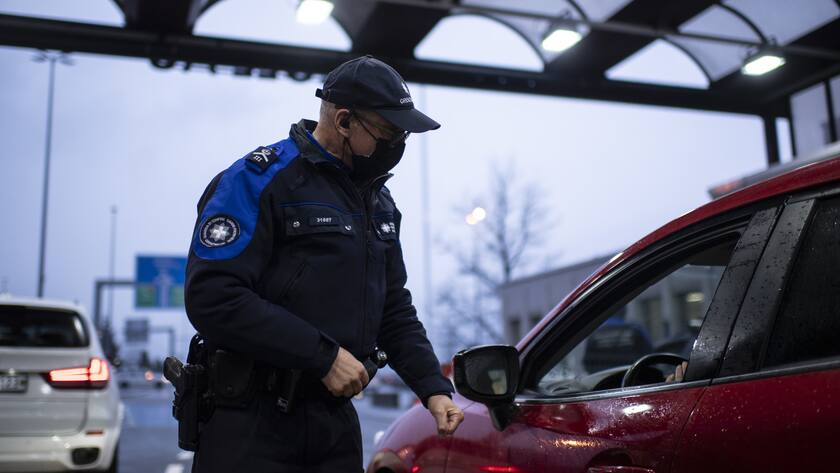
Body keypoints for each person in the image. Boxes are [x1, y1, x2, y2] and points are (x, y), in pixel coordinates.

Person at [184, 55, 464, 472]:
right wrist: (323, 357)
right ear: (345, 121)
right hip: (251, 423)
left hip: (334, 423)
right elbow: (213, 296)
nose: (397, 147)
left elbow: (393, 308)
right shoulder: (258, 180)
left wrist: (433, 388)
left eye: (403, 135)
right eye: (388, 132)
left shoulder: (377, 201)